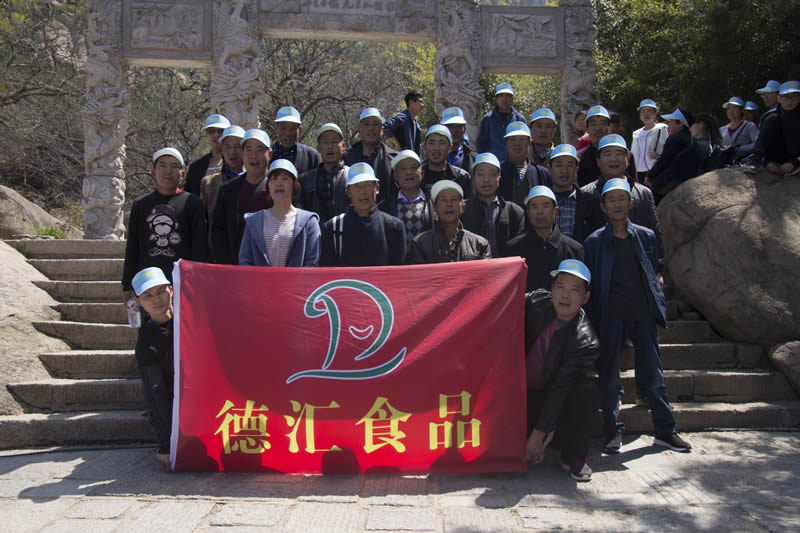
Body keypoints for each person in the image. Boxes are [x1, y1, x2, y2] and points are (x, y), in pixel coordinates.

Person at [584, 178, 691, 454]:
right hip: (611, 315)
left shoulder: (646, 236)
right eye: (611, 200)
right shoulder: (594, 242)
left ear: (631, 203)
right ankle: (613, 431)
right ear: (603, 206)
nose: (617, 205)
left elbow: (652, 272)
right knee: (610, 378)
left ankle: (666, 431)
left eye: (622, 199)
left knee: (654, 376)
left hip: (642, 315)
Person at [523, 259, 599, 482]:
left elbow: (559, 390)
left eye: (575, 290)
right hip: (519, 393)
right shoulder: (536, 301)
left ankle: (573, 456)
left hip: (551, 397)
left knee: (587, 390)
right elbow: (500, 298)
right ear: (552, 289)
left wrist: (537, 436)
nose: (565, 295)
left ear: (585, 297)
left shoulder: (585, 341)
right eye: (561, 286)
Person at [122, 148, 209, 305]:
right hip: (148, 284)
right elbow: (133, 246)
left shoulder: (193, 203)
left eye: (174, 166)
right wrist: (128, 284)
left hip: (183, 282)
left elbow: (200, 248)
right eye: (162, 165)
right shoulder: (141, 205)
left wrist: (198, 281)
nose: (168, 171)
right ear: (153, 172)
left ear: (182, 173)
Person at [580, 134, 661, 254]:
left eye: (619, 153)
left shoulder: (644, 193)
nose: (614, 159)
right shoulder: (586, 194)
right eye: (608, 154)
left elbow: (655, 234)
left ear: (627, 159)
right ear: (598, 161)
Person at [131, 266, 176, 471]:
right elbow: (155, 393)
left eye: (160, 291)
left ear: (171, 290)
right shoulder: (147, 342)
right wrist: (166, 445)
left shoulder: (192, 319)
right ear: (139, 301)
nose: (157, 300)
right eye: (147, 296)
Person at [320, 162, 407, 266]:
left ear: (377, 188)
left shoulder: (393, 226)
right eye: (356, 186)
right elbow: (328, 271)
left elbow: (400, 272)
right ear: (348, 192)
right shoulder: (333, 228)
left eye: (367, 185)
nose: (362, 192)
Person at [239, 159, 320, 267]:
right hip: (260, 278)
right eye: (273, 179)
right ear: (268, 186)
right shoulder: (253, 221)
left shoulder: (309, 222)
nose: (279, 183)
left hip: (297, 279)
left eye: (285, 179)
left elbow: (312, 261)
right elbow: (245, 260)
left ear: (294, 185)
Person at [504, 186, 583, 292]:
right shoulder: (513, 249)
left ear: (555, 211)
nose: (540, 211)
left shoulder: (573, 250)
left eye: (546, 206)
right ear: (528, 213)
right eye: (534, 207)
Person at [212, 129, 273, 265]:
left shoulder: (280, 188)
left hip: (271, 265)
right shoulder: (228, 190)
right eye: (248, 150)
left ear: (269, 154)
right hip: (236, 266)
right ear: (243, 153)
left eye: (259, 150)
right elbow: (218, 232)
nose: (253, 156)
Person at [406, 180, 490, 264]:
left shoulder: (480, 244)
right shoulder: (420, 244)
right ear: (435, 208)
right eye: (443, 200)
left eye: (454, 199)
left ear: (463, 207)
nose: (449, 204)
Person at [461, 152, 524, 258]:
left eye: (492, 174)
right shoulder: (462, 209)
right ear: (473, 178)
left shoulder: (514, 212)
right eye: (481, 174)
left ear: (499, 178)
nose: (486, 180)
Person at [200, 125, 246, 254]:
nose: (232, 152)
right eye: (227, 147)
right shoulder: (209, 183)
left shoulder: (256, 181)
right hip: (218, 254)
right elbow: (203, 224)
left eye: (237, 146)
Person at [645, 108, 707, 202]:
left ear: (680, 123)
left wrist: (650, 176)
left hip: (674, 181)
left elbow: (663, 161)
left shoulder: (675, 138)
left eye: (671, 121)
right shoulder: (692, 139)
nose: (668, 124)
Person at [547, 144, 604, 244]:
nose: (564, 171)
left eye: (570, 165)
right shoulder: (540, 201)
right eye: (559, 165)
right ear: (550, 169)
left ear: (576, 170)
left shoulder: (591, 202)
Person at [743, 81, 800, 177]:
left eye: (795, 96)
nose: (790, 100)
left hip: (796, 157)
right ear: (779, 98)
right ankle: (755, 161)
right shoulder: (770, 116)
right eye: (786, 96)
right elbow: (762, 142)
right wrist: (767, 161)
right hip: (777, 156)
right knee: (772, 119)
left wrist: (795, 162)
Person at [378, 149, 434, 245]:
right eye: (403, 169)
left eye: (413, 168)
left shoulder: (433, 203)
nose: (409, 172)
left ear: (422, 173)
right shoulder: (385, 206)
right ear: (395, 176)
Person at [298, 123, 349, 224]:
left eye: (335, 142)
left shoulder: (352, 177)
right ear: (318, 148)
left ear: (343, 146)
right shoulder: (305, 180)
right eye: (326, 142)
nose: (330, 146)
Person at [343, 107, 396, 201]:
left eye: (376, 124)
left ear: (382, 130)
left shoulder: (393, 159)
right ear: (359, 130)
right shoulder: (345, 158)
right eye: (366, 124)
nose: (371, 128)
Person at [577, 105, 636, 187]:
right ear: (587, 129)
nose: (598, 128)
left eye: (603, 123)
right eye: (593, 124)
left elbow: (634, 186)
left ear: (609, 127)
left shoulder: (626, 155)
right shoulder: (579, 158)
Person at [498, 121, 552, 208]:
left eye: (522, 139)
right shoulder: (497, 171)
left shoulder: (541, 173)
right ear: (506, 143)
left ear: (529, 143)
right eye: (513, 139)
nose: (517, 143)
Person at [477, 82, 526, 161]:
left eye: (507, 95)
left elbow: (525, 143)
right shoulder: (488, 119)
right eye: (501, 95)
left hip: (515, 162)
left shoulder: (519, 119)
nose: (504, 99)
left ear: (512, 98)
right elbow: (482, 144)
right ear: (496, 99)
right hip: (494, 162)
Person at [420, 124, 472, 199]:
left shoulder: (462, 178)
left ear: (450, 148)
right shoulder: (416, 177)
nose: (436, 148)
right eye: (431, 143)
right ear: (425, 147)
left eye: (442, 143)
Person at [184, 114, 231, 195]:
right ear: (206, 134)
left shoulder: (238, 162)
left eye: (221, 131)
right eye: (211, 131)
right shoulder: (196, 167)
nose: (216, 135)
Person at [270, 106, 322, 176]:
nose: (288, 133)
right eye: (283, 128)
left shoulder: (311, 156)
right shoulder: (267, 155)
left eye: (292, 129)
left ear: (299, 130)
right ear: (276, 129)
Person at [630, 99, 668, 183]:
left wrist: (659, 156)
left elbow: (669, 149)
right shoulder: (636, 133)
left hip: (654, 170)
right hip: (638, 172)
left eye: (649, 111)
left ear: (655, 113)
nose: (646, 114)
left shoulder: (662, 129)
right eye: (643, 111)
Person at [441, 107, 475, 173]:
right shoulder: (434, 159)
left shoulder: (473, 159)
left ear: (464, 129)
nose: (454, 130)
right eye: (450, 126)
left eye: (458, 126)